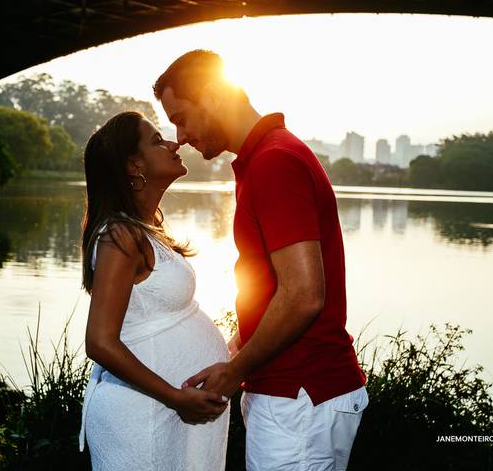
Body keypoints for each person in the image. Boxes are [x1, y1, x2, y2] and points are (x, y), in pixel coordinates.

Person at [153, 50, 369, 471]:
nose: (179, 135)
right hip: (296, 392)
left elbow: (304, 295)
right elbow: (278, 289)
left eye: (181, 117)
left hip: (300, 393)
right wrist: (241, 348)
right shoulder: (264, 158)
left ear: (214, 94)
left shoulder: (274, 162)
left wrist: (235, 370)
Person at [78, 111, 231, 470]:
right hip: (143, 418)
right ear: (134, 166)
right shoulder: (120, 235)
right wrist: (176, 397)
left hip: (168, 415)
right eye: (157, 141)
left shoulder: (143, 231)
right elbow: (99, 341)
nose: (174, 143)